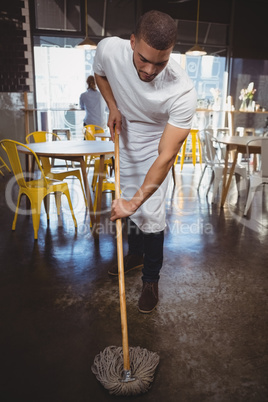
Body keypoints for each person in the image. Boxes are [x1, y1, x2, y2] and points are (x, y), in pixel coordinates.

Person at [93, 10, 197, 313]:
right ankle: (134, 255)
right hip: (124, 133)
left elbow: (167, 155)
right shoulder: (109, 50)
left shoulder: (183, 91)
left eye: (161, 62)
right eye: (143, 59)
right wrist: (113, 106)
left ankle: (151, 280)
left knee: (149, 212)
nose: (150, 70)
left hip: (156, 141)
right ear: (132, 42)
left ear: (171, 54)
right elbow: (100, 74)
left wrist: (135, 203)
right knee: (123, 200)